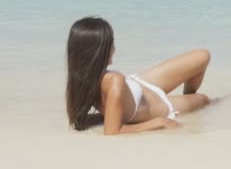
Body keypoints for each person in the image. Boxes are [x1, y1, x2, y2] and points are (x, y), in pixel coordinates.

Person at [65, 16, 211, 135]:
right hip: (159, 105)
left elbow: (80, 119)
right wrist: (159, 122)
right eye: (111, 43)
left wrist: (108, 116)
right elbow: (112, 132)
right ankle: (191, 101)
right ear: (97, 52)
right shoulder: (114, 81)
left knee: (203, 56)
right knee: (205, 101)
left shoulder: (80, 80)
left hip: (140, 83)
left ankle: (188, 96)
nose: (114, 48)